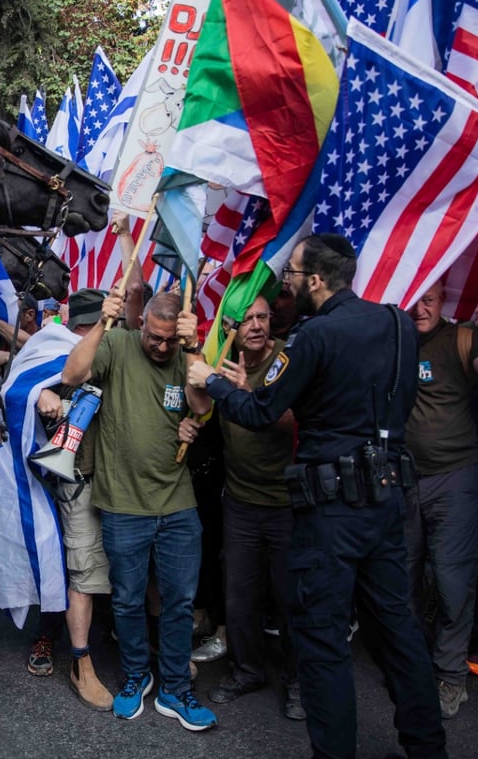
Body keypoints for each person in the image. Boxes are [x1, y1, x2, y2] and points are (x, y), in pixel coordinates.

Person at [187, 234, 446, 759]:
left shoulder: (312, 337)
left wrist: (215, 384)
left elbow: (261, 414)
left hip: (331, 515)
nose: (287, 289)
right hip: (388, 501)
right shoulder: (398, 324)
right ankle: (428, 747)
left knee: (323, 641)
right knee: (398, 629)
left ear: (317, 281)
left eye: (292, 278)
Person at [62, 289, 218, 732]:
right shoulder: (118, 343)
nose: (161, 346)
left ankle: (174, 688)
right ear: (143, 323)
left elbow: (203, 406)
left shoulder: (183, 354)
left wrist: (193, 351)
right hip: (123, 503)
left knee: (178, 602)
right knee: (128, 600)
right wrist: (100, 322)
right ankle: (135, 676)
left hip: (177, 502)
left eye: (170, 339)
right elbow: (72, 375)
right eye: (156, 337)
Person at [403, 278, 478, 718]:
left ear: (443, 297)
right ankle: (411, 664)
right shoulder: (396, 341)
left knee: (451, 582)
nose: (421, 308)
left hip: (454, 479)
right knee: (402, 577)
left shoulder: (463, 338)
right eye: (415, 300)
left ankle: (450, 677)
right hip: (403, 480)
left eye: (430, 299)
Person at [204, 294, 304, 721]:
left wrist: (250, 394)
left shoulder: (288, 360)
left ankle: (300, 682)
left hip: (286, 502)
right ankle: (247, 671)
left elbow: (300, 423)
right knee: (240, 595)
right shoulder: (220, 357)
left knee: (292, 599)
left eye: (263, 317)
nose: (257, 325)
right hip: (241, 501)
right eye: (247, 319)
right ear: (231, 327)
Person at [28, 288, 117, 708]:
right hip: (65, 482)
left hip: (117, 484)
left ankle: (149, 651)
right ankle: (64, 650)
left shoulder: (116, 351)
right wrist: (36, 394)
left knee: (111, 568)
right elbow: (10, 389)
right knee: (62, 565)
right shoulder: (50, 351)